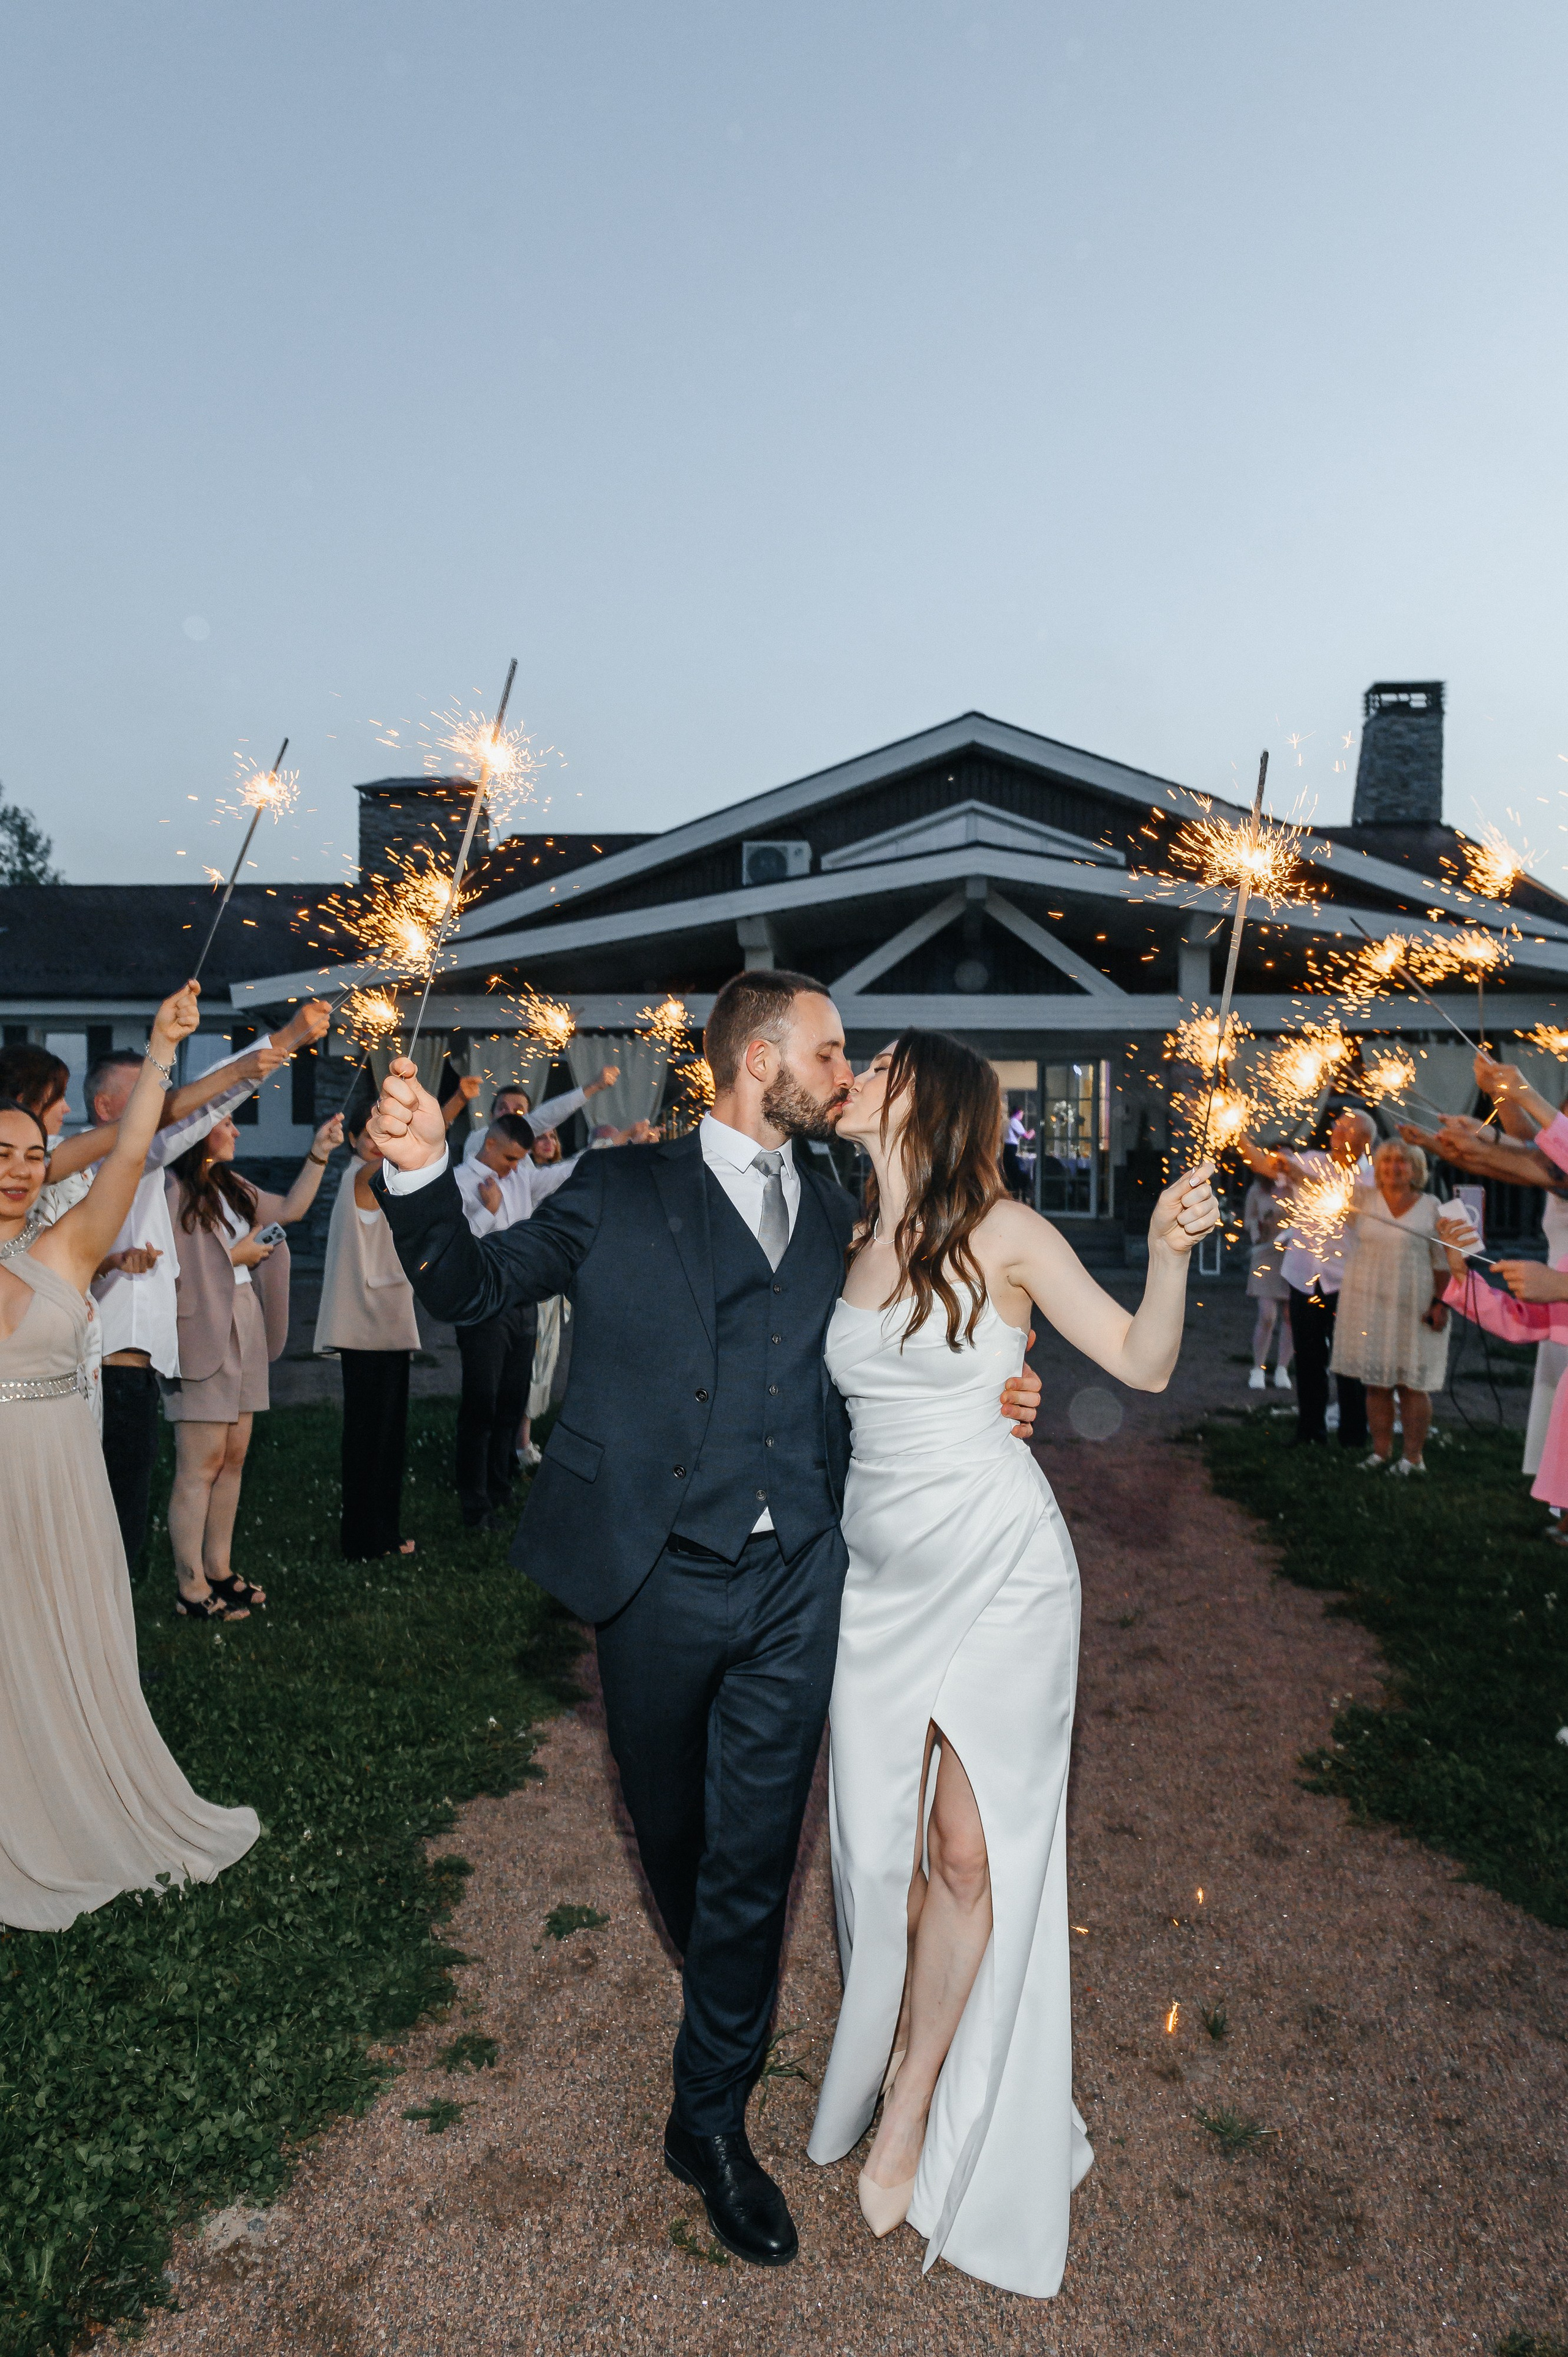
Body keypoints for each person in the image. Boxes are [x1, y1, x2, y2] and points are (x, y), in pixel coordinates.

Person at [365, 968, 1042, 2269]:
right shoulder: (620, 1190)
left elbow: (926, 1323)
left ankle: (709, 2121)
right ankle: (719, 1979)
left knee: (750, 1857)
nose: (848, 1075)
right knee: (673, 1829)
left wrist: (1003, 1387)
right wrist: (415, 1179)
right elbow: (468, 1286)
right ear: (758, 1058)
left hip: (800, 1581)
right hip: (653, 1575)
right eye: (832, 1051)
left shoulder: (846, 1201)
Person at [804, 1032, 1216, 2293]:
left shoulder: (1009, 1229)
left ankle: (916, 2102)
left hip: (1001, 1568)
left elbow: (1140, 1363)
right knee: (881, 1850)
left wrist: (1161, 1253)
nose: (850, 1069)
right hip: (876, 1581)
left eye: (873, 1061)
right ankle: (898, 2028)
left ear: (927, 1097)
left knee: (964, 1850)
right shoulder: (838, 1225)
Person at [0, 982, 260, 1933]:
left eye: (34, 1155)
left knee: (66, 1644)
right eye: (2, 1155)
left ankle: (80, 1802)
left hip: (60, 1492)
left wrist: (158, 1054)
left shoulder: (68, 1249)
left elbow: (129, 1151)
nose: (21, 1171)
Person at [75, 1006, 330, 1568]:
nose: (157, 1106)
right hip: (91, 1364)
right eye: (140, 1094)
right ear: (106, 1107)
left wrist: (279, 1049)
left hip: (139, 1365)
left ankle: (139, 1613)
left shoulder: (144, 1166)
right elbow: (197, 1113)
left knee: (127, 1516)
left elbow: (203, 1109)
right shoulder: (90, 1170)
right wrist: (284, 1039)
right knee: (94, 1512)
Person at [162, 1107, 342, 1616]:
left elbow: (289, 1210)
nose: (237, 1130)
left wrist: (319, 1153)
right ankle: (189, 1584)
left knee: (233, 1458)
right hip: (200, 1328)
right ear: (198, 1134)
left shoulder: (230, 1183)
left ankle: (218, 1568)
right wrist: (235, 1259)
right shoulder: (169, 1190)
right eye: (226, 1123)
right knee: (199, 1464)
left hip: (244, 1320)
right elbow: (169, 1267)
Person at [450, 1111, 581, 1527]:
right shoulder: (457, 1182)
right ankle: (475, 1503)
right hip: (482, 1306)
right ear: (490, 1145)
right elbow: (459, 1251)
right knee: (481, 1404)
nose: (514, 1167)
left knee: (510, 1402)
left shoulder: (521, 1176)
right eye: (509, 1158)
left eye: (519, 1160)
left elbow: (564, 1172)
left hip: (521, 1302)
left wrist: (615, 1147)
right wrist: (490, 1211)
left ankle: (501, 1487)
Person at [313, 1102, 422, 1561]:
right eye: (372, 1136)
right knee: (367, 1441)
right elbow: (386, 1171)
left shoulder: (384, 1176)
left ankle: (386, 1533)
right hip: (366, 1330)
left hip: (388, 1326)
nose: (380, 1144)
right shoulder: (359, 1175)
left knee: (389, 1439)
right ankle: (361, 1540)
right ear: (356, 1141)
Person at [1236, 1106, 1375, 1449]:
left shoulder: (1369, 1176)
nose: (1334, 1131)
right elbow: (1265, 1166)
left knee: (1349, 1360)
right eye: (1337, 1126)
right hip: (1303, 1275)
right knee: (1309, 1357)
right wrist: (1236, 1131)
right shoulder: (1314, 1159)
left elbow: (1339, 1202)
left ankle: (1353, 1435)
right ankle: (1311, 1432)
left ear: (1360, 1141)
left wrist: (1298, 1175)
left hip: (1346, 1280)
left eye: (1343, 1129)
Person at [1330, 1139, 1449, 1474]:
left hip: (1415, 1302)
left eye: (1402, 1162)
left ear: (1416, 1169)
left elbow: (1442, 1262)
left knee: (1412, 1383)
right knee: (1376, 1381)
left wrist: (1441, 1303)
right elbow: (1324, 1188)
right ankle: (1380, 1452)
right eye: (1387, 1161)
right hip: (1370, 1300)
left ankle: (1413, 1458)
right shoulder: (1362, 1201)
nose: (1393, 1167)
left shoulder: (1431, 1206)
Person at [458, 1064, 622, 1164]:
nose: (510, 1114)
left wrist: (625, 1140)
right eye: (503, 1108)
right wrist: (593, 1086)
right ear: (491, 1116)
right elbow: (542, 1118)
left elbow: (568, 1168)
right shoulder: (478, 1139)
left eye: (519, 1111)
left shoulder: (526, 1165)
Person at [1242, 1171, 1294, 1391]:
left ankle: (1282, 1368)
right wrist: (1257, 1229)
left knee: (1291, 1316)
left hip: (1293, 1255)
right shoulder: (1258, 1189)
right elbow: (1249, 1219)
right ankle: (1257, 1368)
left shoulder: (1300, 1188)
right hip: (1265, 1253)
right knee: (1267, 1315)